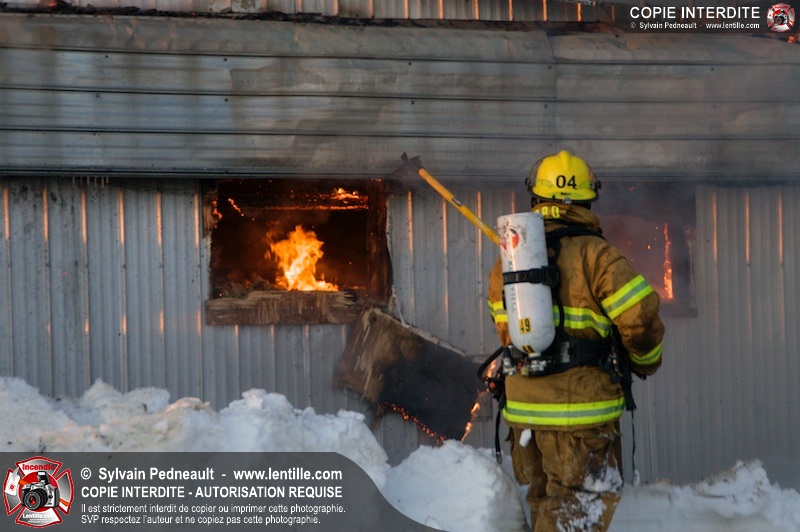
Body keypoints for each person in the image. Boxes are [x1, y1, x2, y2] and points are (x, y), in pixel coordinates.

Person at [486, 151, 664, 531]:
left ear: (536, 197)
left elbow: (504, 329)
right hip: (580, 419)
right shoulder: (597, 255)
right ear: (586, 200)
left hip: (525, 418)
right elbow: (641, 318)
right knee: (576, 515)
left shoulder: (508, 261)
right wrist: (645, 361)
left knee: (545, 508)